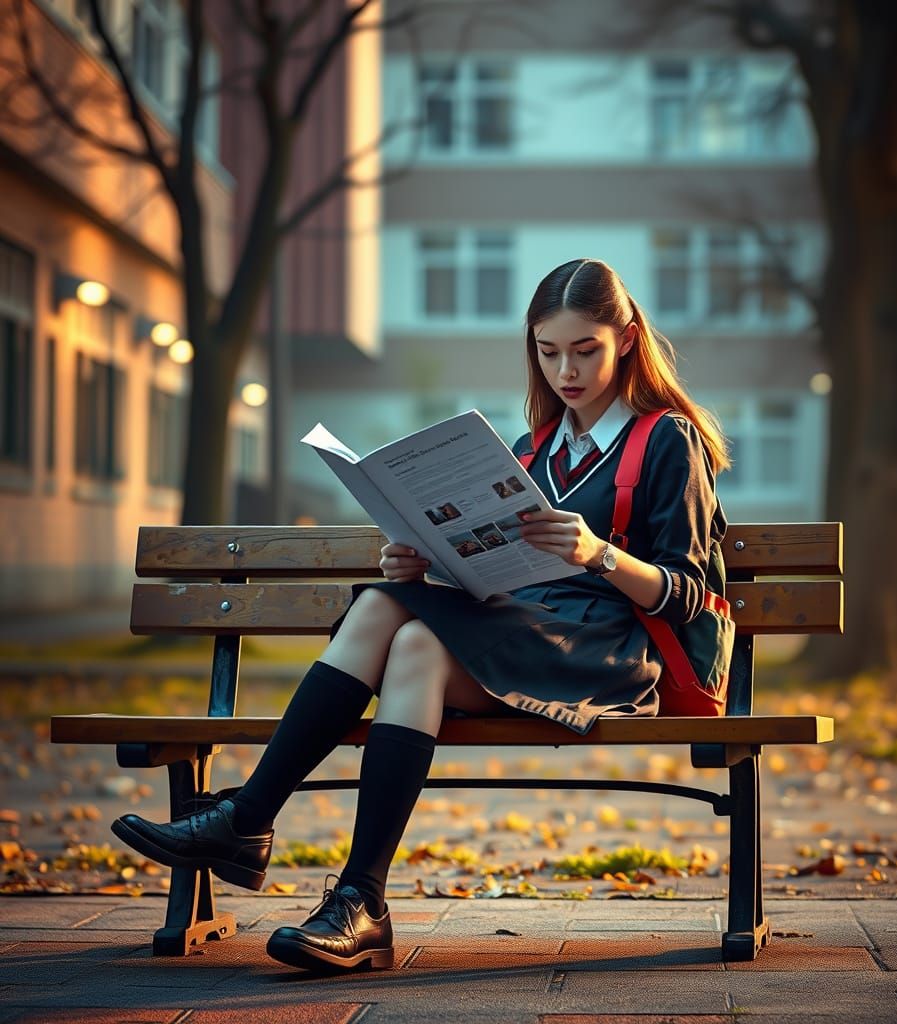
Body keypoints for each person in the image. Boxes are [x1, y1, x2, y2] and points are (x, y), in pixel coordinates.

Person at [110, 258, 729, 975]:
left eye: (585, 349)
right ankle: (359, 902)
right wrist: (426, 566)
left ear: (624, 339)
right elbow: (499, 575)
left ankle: (248, 823)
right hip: (520, 634)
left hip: (607, 653)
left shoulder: (666, 440)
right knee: (406, 636)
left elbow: (687, 591)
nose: (567, 370)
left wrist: (599, 556)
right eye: (548, 350)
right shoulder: (529, 451)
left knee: (386, 616)